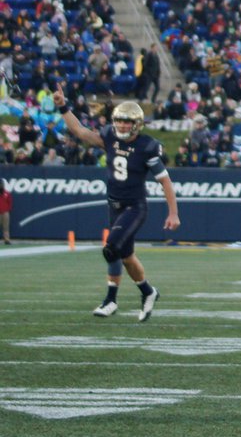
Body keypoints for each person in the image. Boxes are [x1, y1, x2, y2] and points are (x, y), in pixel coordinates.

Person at [52, 91, 181, 320]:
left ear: (137, 124)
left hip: (135, 206)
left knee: (111, 248)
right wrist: (63, 107)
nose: (121, 125)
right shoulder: (109, 137)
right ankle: (148, 292)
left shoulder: (147, 147)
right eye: (119, 120)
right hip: (114, 205)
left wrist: (173, 213)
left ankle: (110, 300)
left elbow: (165, 182)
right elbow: (80, 131)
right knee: (126, 256)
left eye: (127, 121)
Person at [0, 178, 12, 244]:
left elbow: (10, 202)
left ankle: (6, 240)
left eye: (1, 184)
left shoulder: (7, 193)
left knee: (6, 227)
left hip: (5, 212)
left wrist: (7, 210)